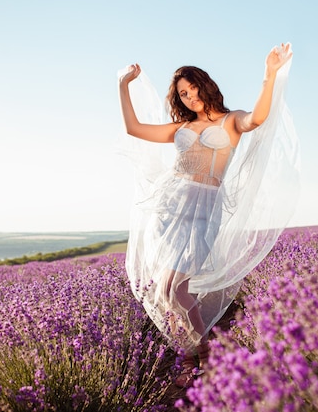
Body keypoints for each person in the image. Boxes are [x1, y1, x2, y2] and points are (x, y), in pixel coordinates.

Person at [118, 43, 299, 388]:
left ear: (205, 83)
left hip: (204, 208)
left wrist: (270, 74)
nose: (188, 98)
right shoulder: (180, 128)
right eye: (182, 95)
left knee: (175, 287)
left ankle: (203, 352)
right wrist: (123, 85)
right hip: (171, 206)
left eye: (192, 88)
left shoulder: (231, 121)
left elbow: (257, 118)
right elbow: (134, 128)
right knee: (164, 292)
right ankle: (194, 354)